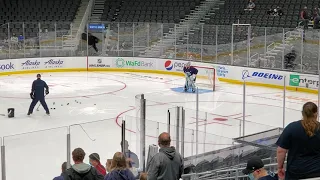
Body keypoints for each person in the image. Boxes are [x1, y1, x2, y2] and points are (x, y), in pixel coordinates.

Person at [276, 102, 320, 180]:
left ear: (302, 113)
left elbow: (281, 151)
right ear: (316, 113)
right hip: (317, 172)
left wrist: (280, 167)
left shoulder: (291, 128)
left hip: (296, 173)